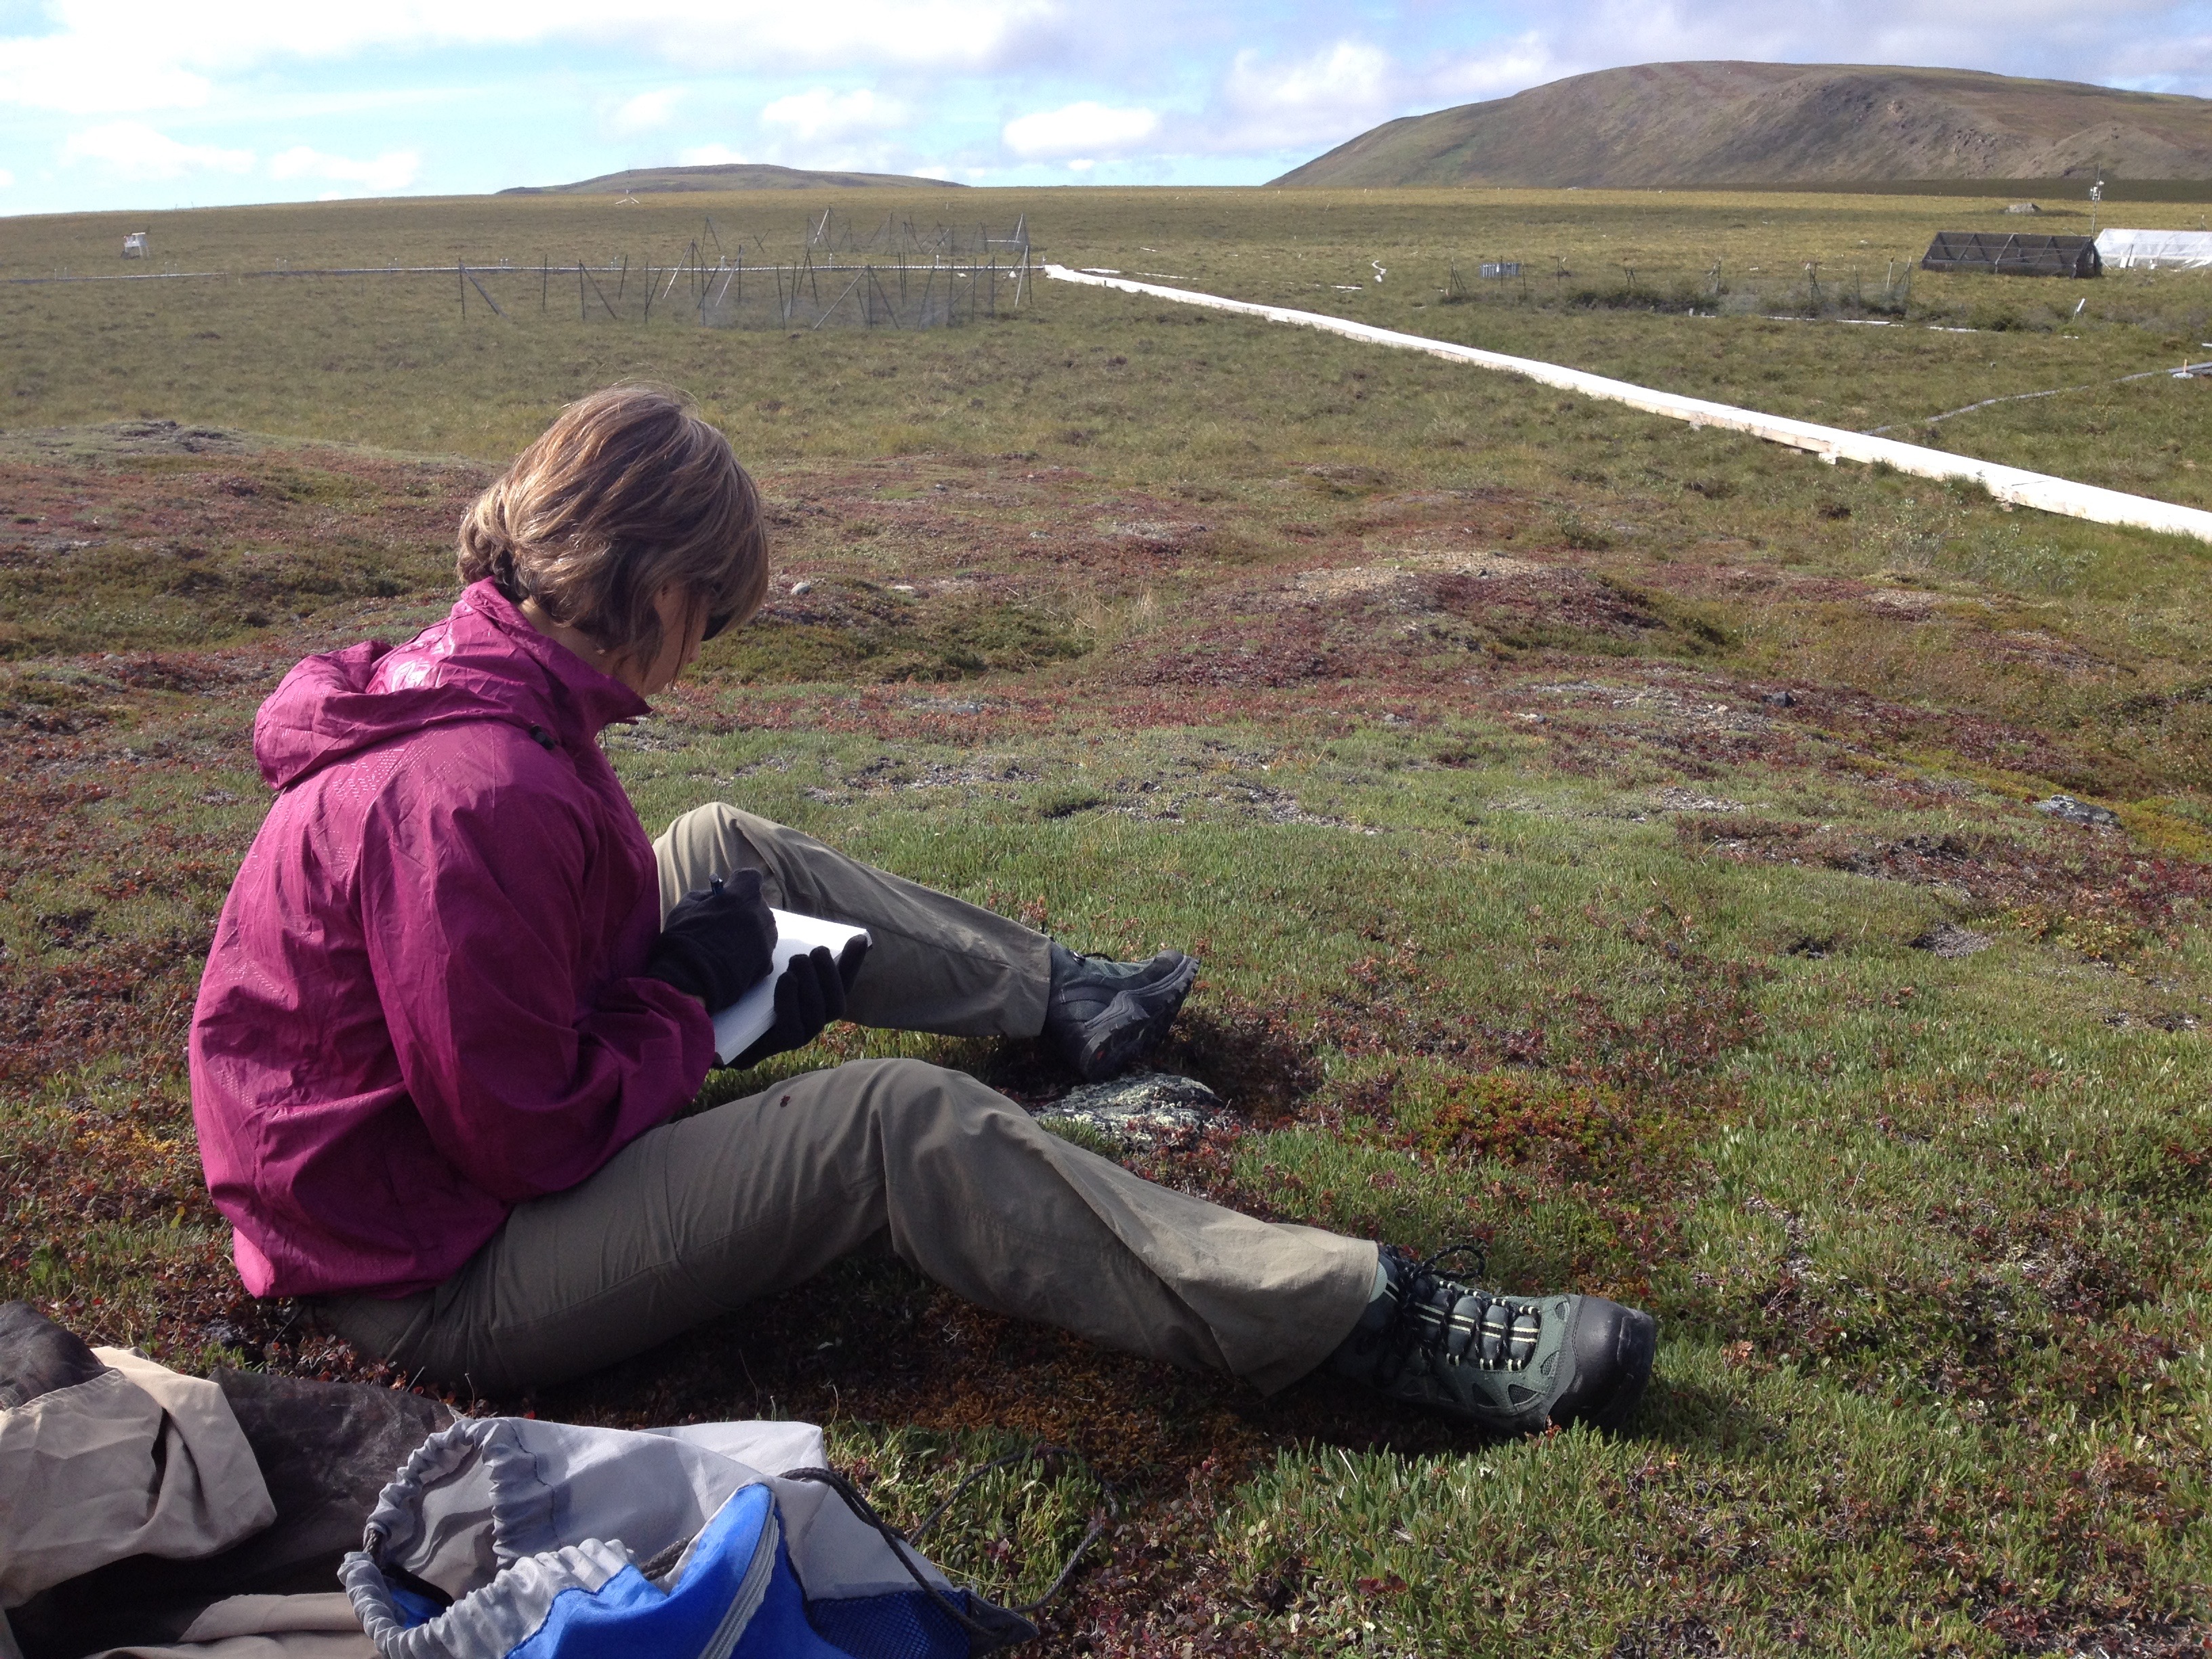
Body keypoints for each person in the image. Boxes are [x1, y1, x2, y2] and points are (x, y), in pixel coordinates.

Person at [189, 385, 1656, 1433]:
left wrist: (696, 979)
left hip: (423, 1183)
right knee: (891, 1122)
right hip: (433, 1274)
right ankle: (1355, 1316)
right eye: (715, 609)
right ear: (645, 580)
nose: (712, 647)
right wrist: (695, 1012)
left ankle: (1056, 996)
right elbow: (524, 1133)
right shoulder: (475, 797)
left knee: (725, 847)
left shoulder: (476, 683)